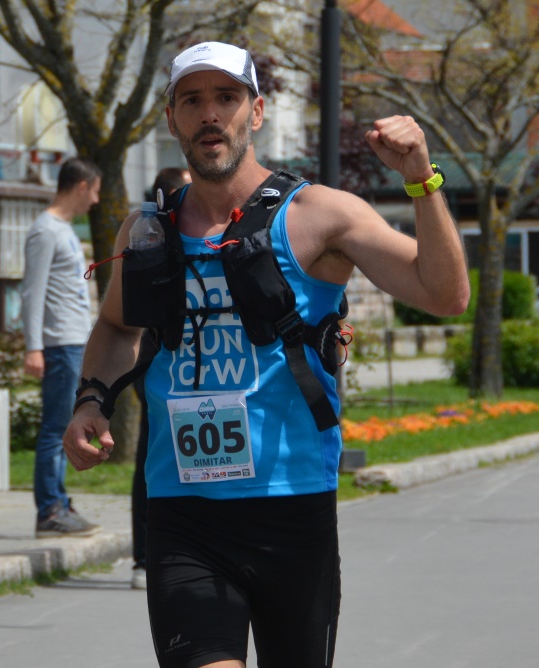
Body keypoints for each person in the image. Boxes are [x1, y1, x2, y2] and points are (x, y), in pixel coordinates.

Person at [64, 41, 470, 667]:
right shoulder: (146, 231)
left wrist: (422, 178)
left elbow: (445, 294)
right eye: (191, 101)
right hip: (183, 510)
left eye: (226, 98)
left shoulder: (320, 216)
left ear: (255, 112)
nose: (209, 114)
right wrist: (91, 399)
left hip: (293, 505)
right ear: (171, 119)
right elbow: (119, 328)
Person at [22, 158, 103, 538]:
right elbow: (32, 292)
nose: (97, 200)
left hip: (73, 341)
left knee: (64, 426)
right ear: (82, 186)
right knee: (56, 428)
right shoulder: (45, 230)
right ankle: (49, 510)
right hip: (58, 343)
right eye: (95, 191)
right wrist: (33, 347)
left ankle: (60, 502)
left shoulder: (63, 229)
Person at [131, 166, 192, 589]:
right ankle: (143, 558)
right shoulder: (147, 233)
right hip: (157, 357)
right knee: (151, 451)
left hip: (204, 361)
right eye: (184, 190)